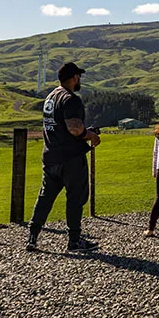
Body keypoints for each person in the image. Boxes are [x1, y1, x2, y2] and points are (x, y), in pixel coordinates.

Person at [26, 62, 101, 252]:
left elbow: (58, 126)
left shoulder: (51, 97)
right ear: (74, 77)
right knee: (75, 198)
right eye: (79, 77)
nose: (80, 80)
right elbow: (74, 128)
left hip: (50, 155)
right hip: (71, 157)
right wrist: (90, 135)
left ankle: (33, 237)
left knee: (45, 197)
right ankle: (74, 241)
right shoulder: (71, 99)